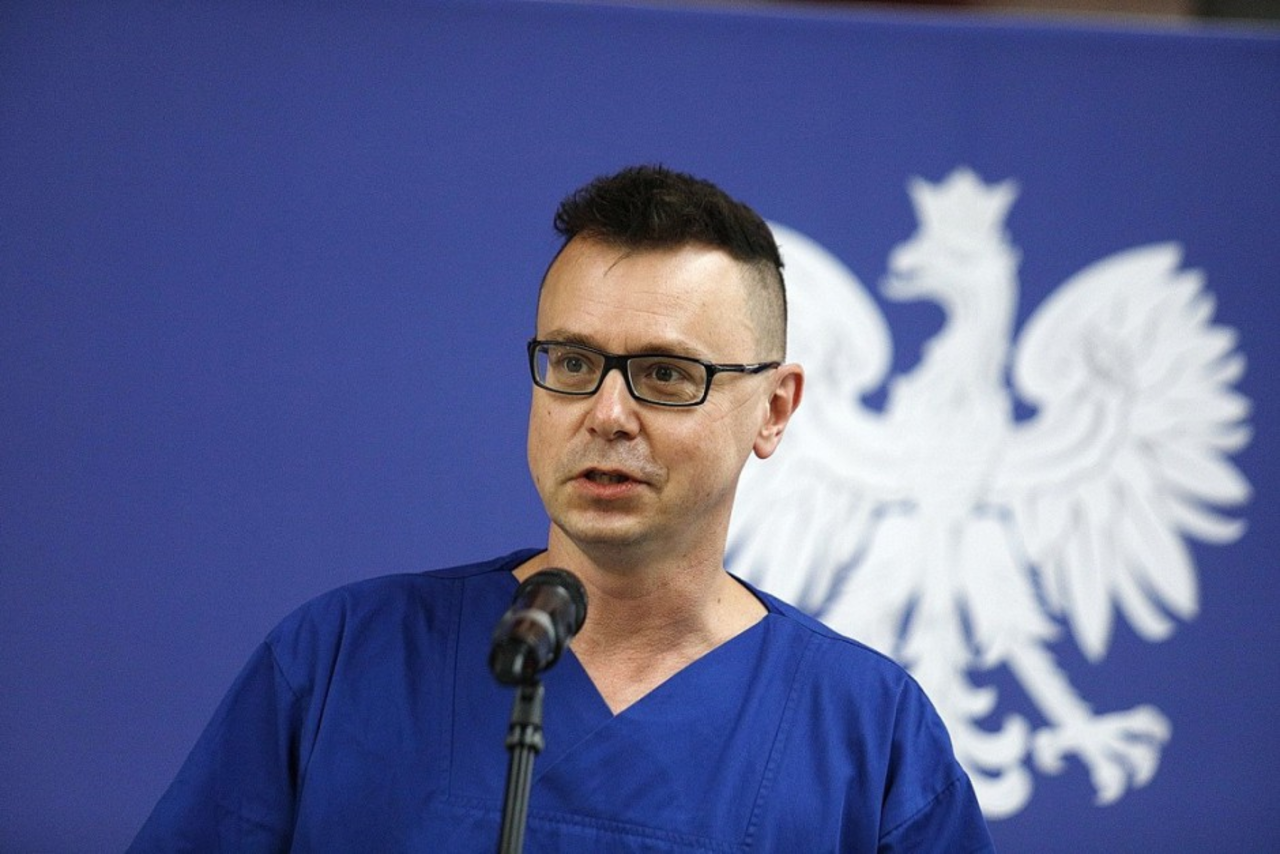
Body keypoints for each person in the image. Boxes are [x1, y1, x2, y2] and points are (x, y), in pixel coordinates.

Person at [129, 165, 994, 852]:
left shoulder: (867, 736)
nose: (607, 414)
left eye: (666, 374)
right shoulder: (344, 662)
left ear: (774, 409)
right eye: (574, 363)